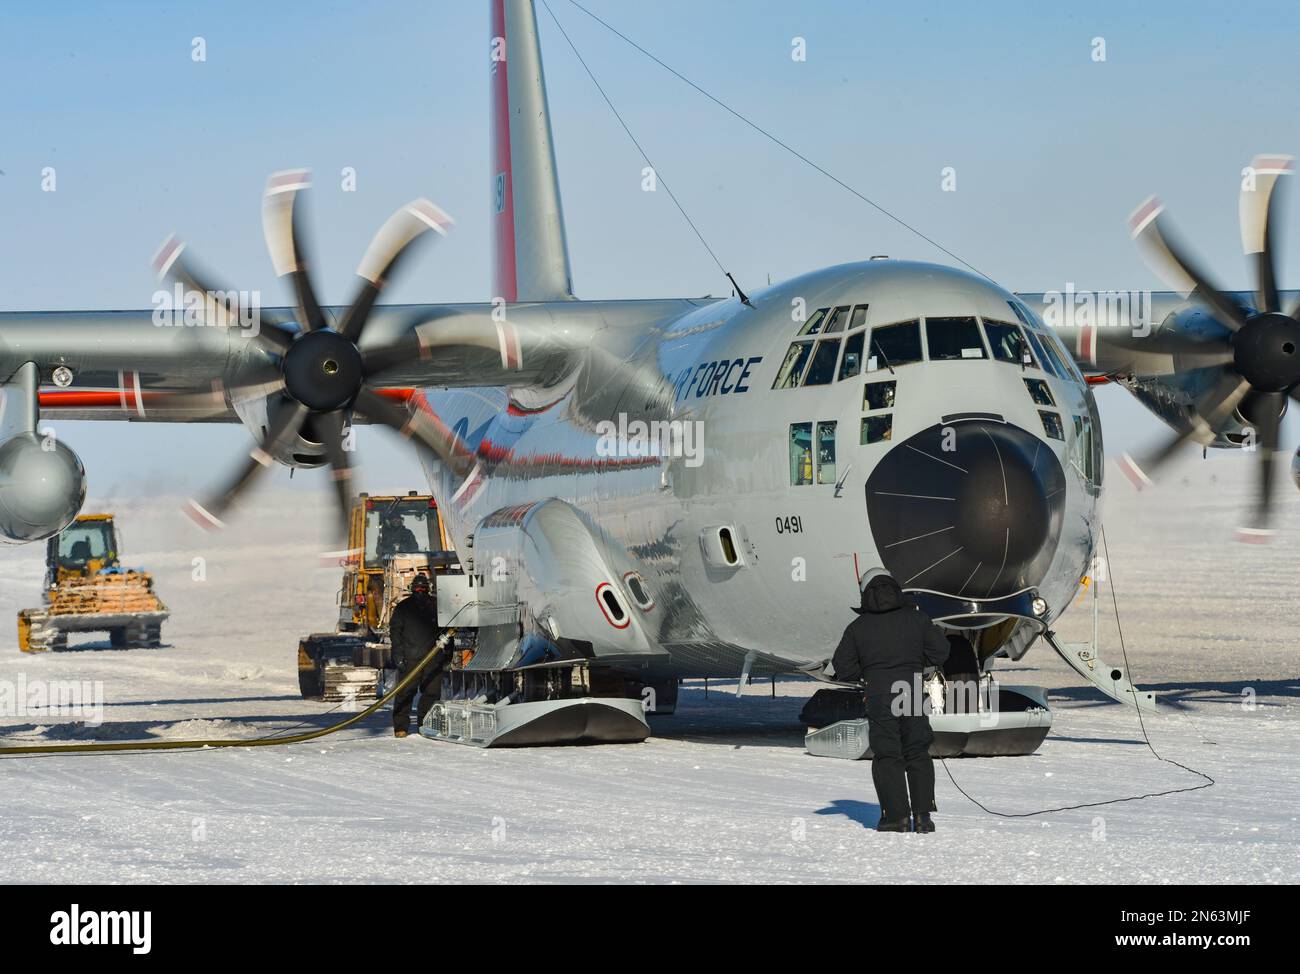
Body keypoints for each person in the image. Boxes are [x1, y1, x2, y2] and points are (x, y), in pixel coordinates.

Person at [831, 567, 949, 833]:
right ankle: (923, 817)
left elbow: (844, 667)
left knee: (888, 754)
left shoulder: (857, 627)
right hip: (913, 691)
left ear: (865, 593)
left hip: (880, 695)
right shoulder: (917, 619)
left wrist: (868, 673)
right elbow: (941, 651)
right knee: (917, 751)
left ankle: (896, 817)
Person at [389, 574, 445, 738]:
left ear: (428, 589)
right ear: (412, 589)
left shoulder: (437, 605)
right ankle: (401, 726)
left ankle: (425, 724)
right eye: (417, 588)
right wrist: (398, 655)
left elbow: (448, 629)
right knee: (405, 693)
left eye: (423, 588)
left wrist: (445, 654)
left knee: (432, 693)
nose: (420, 591)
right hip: (410, 659)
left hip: (433, 658)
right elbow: (395, 633)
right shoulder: (403, 607)